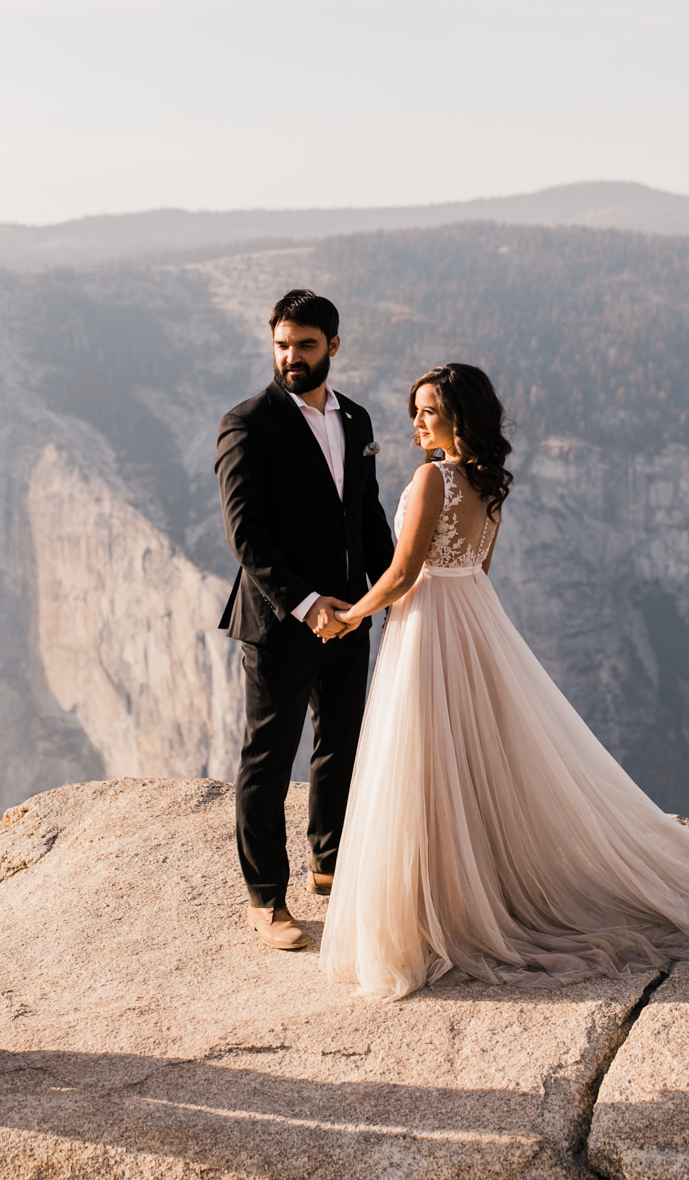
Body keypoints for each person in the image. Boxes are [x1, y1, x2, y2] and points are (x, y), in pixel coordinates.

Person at [318, 363, 689, 999]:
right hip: (474, 622)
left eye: (428, 410)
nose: (416, 422)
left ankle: (435, 912)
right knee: (470, 762)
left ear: (459, 417)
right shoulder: (489, 486)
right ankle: (464, 898)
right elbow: (479, 567)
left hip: (430, 627)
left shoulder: (432, 479)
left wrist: (348, 617)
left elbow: (402, 574)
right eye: (415, 409)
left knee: (426, 763)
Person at [215, 291, 395, 951]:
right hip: (281, 622)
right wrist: (306, 602)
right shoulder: (247, 424)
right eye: (283, 345)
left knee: (341, 742)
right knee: (267, 756)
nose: (292, 357)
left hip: (351, 616)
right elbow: (247, 534)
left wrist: (392, 588)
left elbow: (365, 517)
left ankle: (330, 865)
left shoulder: (355, 417)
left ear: (334, 347)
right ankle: (265, 898)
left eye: (306, 345)